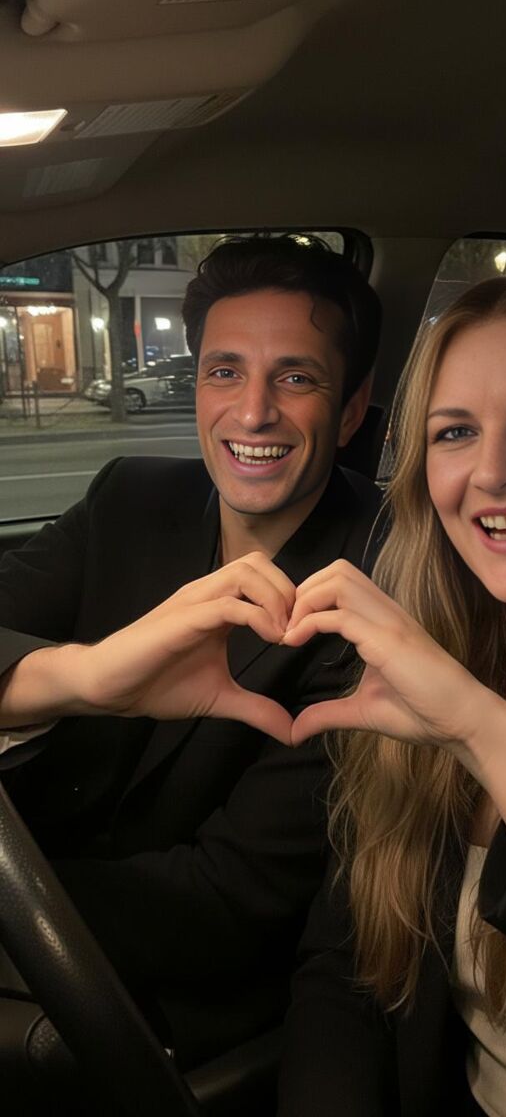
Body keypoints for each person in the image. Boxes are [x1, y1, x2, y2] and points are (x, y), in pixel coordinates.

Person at [0, 234, 382, 1070]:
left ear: (352, 411)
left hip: (158, 1007)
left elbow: (229, 902)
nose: (252, 413)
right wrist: (77, 679)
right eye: (224, 372)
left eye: (296, 378)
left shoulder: (378, 591)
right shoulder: (129, 498)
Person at [278, 271, 506, 1116]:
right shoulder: (429, 666)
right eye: (455, 433)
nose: (492, 472)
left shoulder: (448, 696)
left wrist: (484, 730)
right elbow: (349, 972)